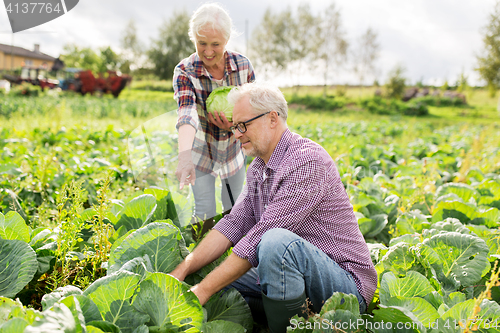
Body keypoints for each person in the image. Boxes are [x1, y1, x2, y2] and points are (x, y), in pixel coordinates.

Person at [169, 82, 378, 333]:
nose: (237, 134)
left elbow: (261, 237)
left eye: (243, 125)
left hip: (345, 286)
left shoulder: (307, 161)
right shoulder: (258, 168)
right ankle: (291, 316)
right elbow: (234, 223)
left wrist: (202, 292)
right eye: (235, 126)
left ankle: (290, 328)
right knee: (211, 273)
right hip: (295, 274)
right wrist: (183, 269)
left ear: (272, 118)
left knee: (274, 241)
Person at [173, 3, 255, 234]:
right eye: (202, 44)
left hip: (233, 148)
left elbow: (254, 109)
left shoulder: (243, 66)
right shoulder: (184, 71)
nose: (208, 51)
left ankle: (231, 262)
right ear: (194, 40)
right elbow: (186, 112)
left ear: (227, 40)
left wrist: (235, 126)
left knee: (234, 210)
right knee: (204, 212)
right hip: (201, 150)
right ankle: (202, 262)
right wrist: (185, 155)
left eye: (215, 44)